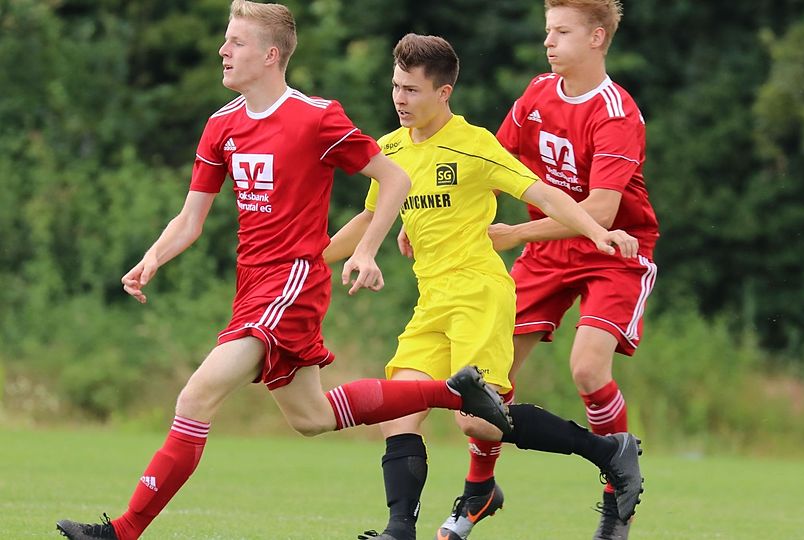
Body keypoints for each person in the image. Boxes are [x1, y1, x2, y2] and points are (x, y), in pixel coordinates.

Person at [54, 3, 513, 540]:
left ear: (271, 55)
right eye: (226, 40)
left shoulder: (316, 117)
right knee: (311, 417)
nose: (223, 51)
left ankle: (123, 531)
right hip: (252, 286)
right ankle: (456, 393)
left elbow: (394, 179)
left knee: (196, 397)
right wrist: (153, 257)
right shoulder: (221, 125)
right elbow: (190, 219)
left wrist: (366, 250)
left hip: (292, 282)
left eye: (236, 42)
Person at [323, 34, 643, 540]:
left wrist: (597, 232)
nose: (400, 99)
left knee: (477, 422)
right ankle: (398, 530)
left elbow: (544, 194)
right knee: (398, 412)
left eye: (412, 90)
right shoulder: (389, 149)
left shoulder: (473, 145)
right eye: (396, 87)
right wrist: (306, 263)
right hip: (431, 302)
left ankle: (606, 450)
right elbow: (368, 217)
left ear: (443, 93)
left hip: (478, 296)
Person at [444, 1, 660, 539]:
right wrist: (434, 216)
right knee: (483, 385)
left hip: (612, 252)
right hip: (547, 254)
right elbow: (490, 164)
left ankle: (617, 504)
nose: (548, 41)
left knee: (587, 368)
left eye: (561, 32)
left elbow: (601, 213)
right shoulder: (538, 93)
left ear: (596, 38)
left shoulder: (617, 113)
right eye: (547, 31)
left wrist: (516, 233)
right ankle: (480, 490)